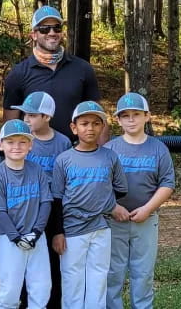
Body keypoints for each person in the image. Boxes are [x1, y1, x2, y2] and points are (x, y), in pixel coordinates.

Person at [51, 101, 128, 308]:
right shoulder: (64, 160)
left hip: (100, 228)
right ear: (74, 128)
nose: (90, 128)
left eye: (96, 123)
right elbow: (57, 198)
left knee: (98, 277)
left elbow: (120, 189)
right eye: (84, 123)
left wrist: (105, 206)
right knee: (72, 279)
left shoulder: (109, 157)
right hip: (72, 229)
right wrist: (58, 232)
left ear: (102, 127)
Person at [105, 93, 175, 309]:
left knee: (142, 272)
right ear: (117, 120)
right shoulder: (110, 149)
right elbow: (100, 185)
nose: (131, 120)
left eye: (136, 114)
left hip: (146, 219)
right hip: (114, 220)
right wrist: (114, 206)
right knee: (112, 272)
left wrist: (147, 209)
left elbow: (167, 184)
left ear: (147, 117)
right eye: (125, 116)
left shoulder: (158, 148)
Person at [3, 5, 107, 144]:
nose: (52, 33)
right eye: (44, 29)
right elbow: (11, 124)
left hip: (75, 152)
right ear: (33, 34)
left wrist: (102, 155)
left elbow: (98, 115)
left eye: (57, 27)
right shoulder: (18, 74)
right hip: (33, 154)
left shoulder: (83, 68)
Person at [11, 91, 71, 308]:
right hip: (25, 208)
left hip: (53, 208)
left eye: (32, 115)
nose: (26, 119)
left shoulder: (62, 143)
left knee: (52, 263)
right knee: (25, 262)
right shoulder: (19, 142)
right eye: (24, 114)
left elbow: (63, 187)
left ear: (47, 117)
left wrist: (58, 229)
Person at [0, 119, 53, 309]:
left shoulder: (37, 170)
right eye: (10, 142)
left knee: (41, 288)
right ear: (1, 145)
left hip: (36, 237)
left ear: (31, 144)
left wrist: (36, 232)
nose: (16, 147)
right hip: (10, 240)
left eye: (23, 141)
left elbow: (46, 202)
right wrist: (16, 237)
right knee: (10, 291)